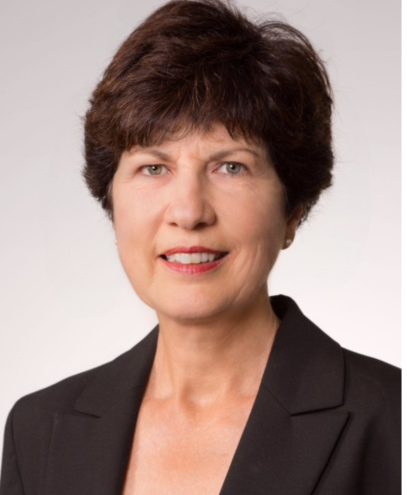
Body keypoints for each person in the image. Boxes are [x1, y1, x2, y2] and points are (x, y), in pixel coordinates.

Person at [0, 0, 400, 494]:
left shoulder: (389, 422)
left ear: (293, 208)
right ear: (111, 201)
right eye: (153, 167)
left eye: (231, 166)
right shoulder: (37, 430)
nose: (188, 212)